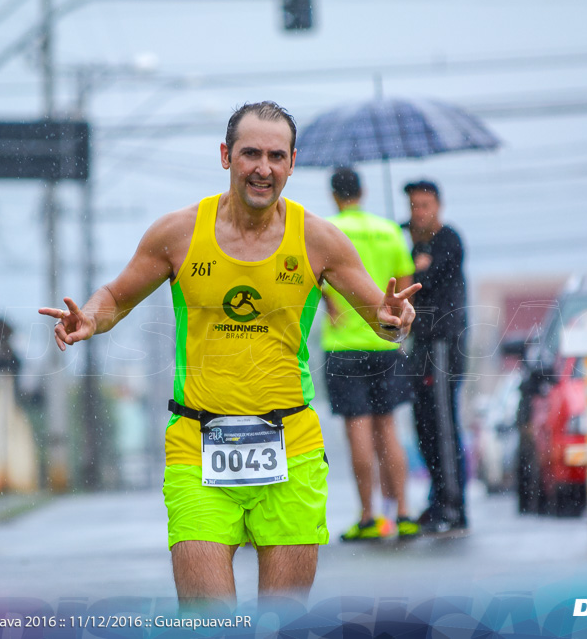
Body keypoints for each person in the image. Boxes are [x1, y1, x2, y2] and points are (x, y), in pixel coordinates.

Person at [40, 101, 419, 606]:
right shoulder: (177, 234)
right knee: (207, 622)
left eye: (276, 156)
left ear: (291, 162)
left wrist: (394, 321)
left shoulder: (319, 239)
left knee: (282, 625)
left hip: (292, 449)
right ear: (226, 156)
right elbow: (114, 298)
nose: (264, 168)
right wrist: (89, 317)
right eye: (251, 154)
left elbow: (382, 319)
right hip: (197, 449)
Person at [320, 168, 419, 541]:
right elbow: (405, 289)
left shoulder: (325, 231)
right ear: (362, 192)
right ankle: (405, 513)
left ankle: (368, 517)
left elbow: (322, 287)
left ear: (334, 195)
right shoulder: (389, 230)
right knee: (387, 427)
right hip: (387, 343)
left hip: (345, 345)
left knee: (357, 429)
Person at [403, 180, 469, 535]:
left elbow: (424, 280)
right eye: (414, 205)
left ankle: (454, 506)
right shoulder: (409, 240)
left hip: (445, 343)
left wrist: (416, 268)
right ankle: (436, 498)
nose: (419, 212)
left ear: (438, 206)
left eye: (425, 205)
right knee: (424, 425)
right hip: (419, 345)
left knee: (443, 425)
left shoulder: (449, 239)